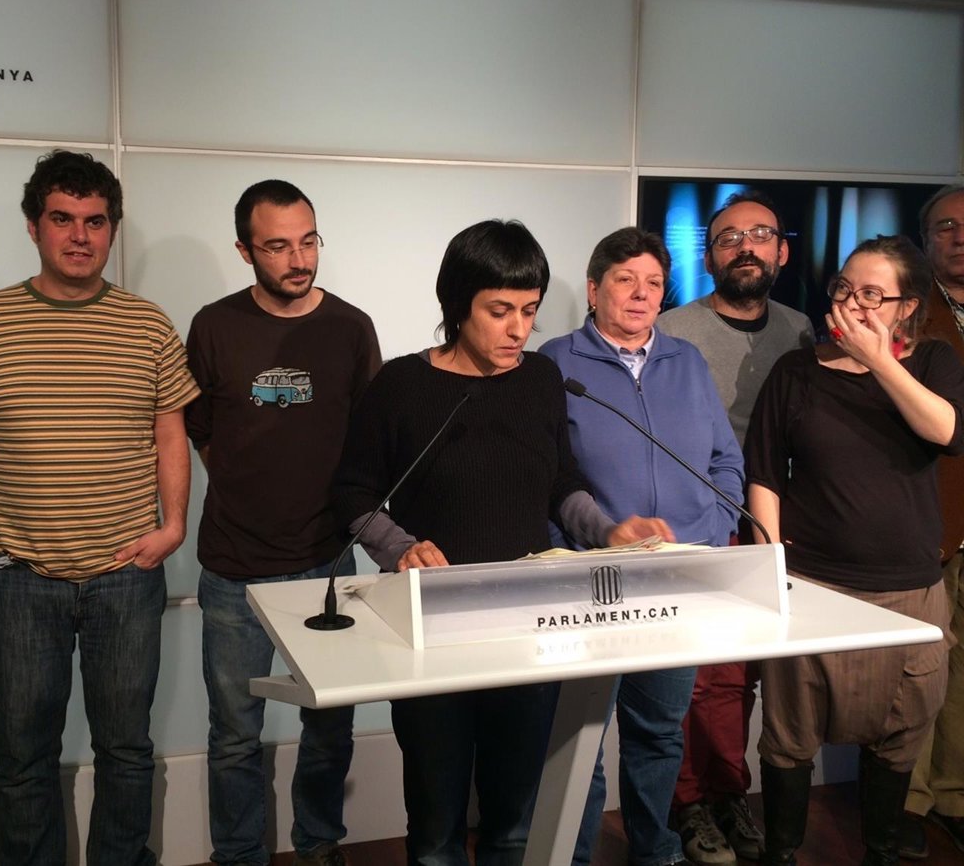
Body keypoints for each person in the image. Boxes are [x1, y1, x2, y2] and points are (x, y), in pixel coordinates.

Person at [333, 219, 671, 866]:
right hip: (433, 630)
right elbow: (352, 493)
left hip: (526, 626)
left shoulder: (540, 379)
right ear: (457, 305)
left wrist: (608, 531)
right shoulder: (401, 386)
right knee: (436, 833)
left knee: (514, 826)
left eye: (530, 311)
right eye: (500, 311)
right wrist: (400, 547)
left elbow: (560, 483)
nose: (518, 329)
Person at [0, 150, 198, 866]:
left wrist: (173, 528)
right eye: (63, 219)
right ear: (34, 227)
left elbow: (170, 431)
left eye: (95, 221)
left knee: (126, 748)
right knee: (24, 757)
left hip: (126, 571)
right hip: (20, 575)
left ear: (112, 229)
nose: (80, 236)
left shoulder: (147, 324)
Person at [745, 235, 964, 866]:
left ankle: (881, 850)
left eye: (872, 294)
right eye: (845, 288)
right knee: (788, 737)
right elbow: (764, 474)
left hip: (908, 588)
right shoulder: (796, 370)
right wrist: (772, 568)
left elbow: (949, 432)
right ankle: (782, 853)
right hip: (811, 586)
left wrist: (881, 362)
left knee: (901, 736)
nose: (852, 303)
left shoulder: (933, 361)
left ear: (907, 307)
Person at [185, 179, 382, 866]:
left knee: (329, 729)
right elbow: (201, 431)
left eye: (308, 241)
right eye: (277, 246)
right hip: (233, 568)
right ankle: (239, 854)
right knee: (234, 734)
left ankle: (318, 846)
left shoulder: (351, 327)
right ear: (245, 251)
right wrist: (249, 489)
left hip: (328, 562)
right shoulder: (213, 326)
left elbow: (370, 438)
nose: (299, 260)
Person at [540, 226, 744, 866]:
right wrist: (576, 546)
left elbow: (725, 460)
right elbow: (546, 476)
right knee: (581, 735)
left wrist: (712, 529)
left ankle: (655, 850)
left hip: (677, 578)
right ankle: (574, 856)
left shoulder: (687, 361)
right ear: (594, 289)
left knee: (659, 731)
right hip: (592, 579)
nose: (641, 294)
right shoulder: (555, 362)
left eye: (653, 282)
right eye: (625, 280)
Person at [656, 191, 813, 864]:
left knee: (741, 679)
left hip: (772, 529)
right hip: (697, 527)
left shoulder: (801, 329)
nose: (745, 247)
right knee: (693, 679)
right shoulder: (672, 330)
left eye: (760, 235)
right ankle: (689, 804)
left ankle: (727, 794)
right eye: (728, 237)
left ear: (782, 251)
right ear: (710, 256)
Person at [899, 184, 964, 859]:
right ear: (926, 240)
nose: (961, 236)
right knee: (922, 673)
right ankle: (907, 802)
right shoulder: (911, 312)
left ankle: (953, 796)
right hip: (932, 519)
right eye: (946, 226)